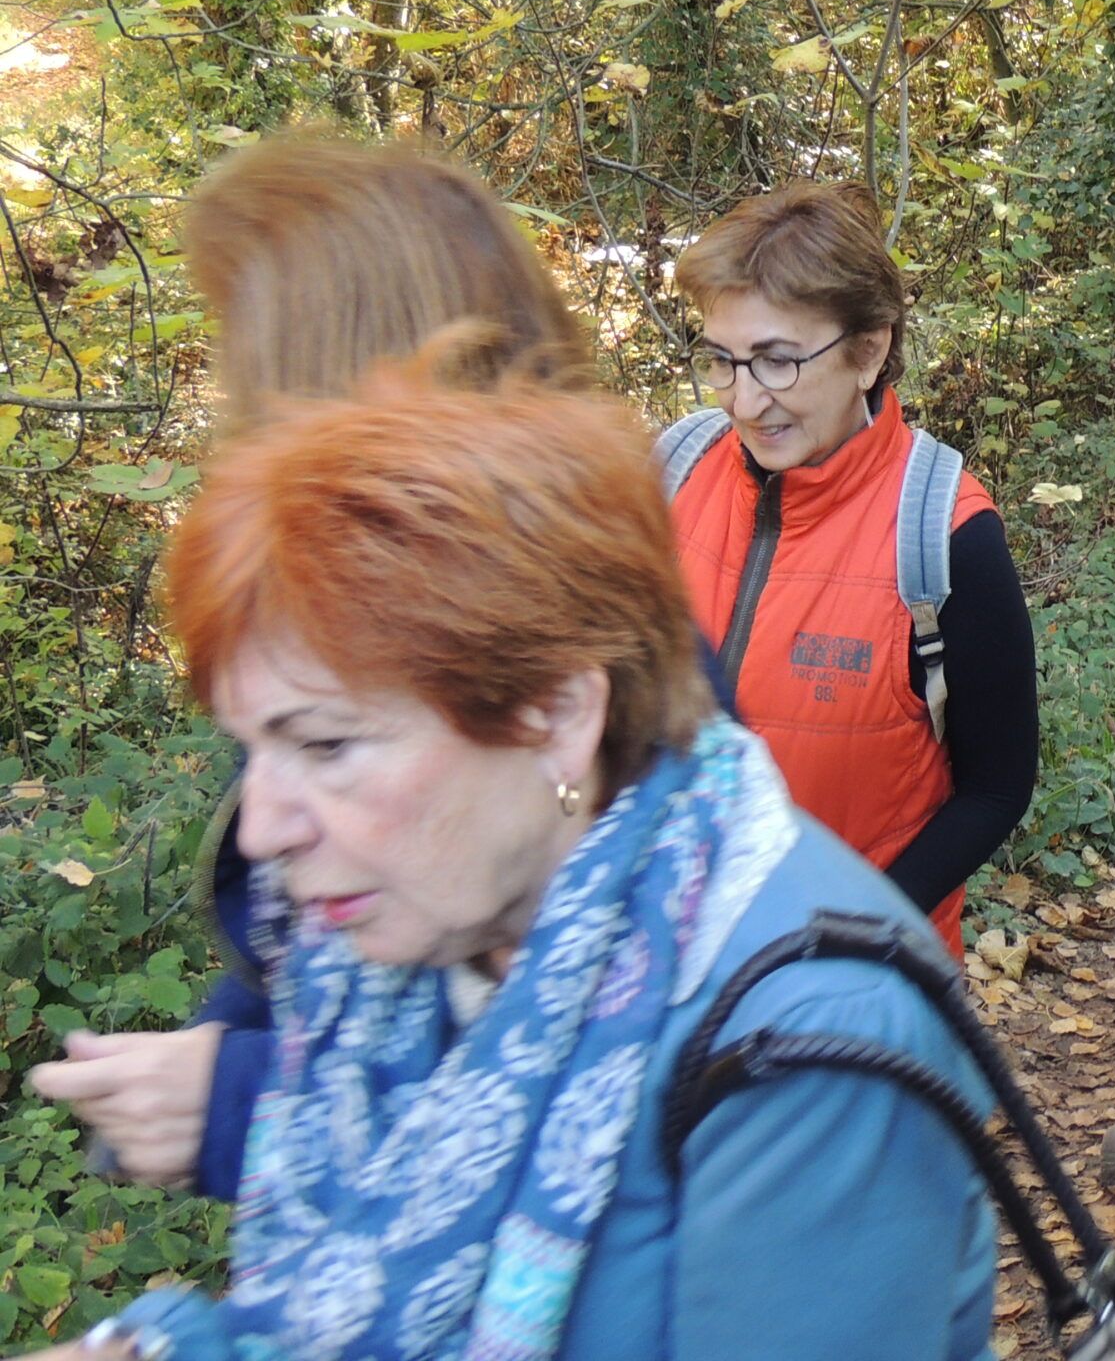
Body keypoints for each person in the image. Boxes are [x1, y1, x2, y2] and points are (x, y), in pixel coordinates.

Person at [27, 374, 996, 1361]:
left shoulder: (812, 1035)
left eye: (323, 746)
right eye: (253, 750)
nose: (262, 831)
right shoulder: (412, 948)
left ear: (557, 717)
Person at [29, 135, 598, 1207]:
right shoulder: (355, 650)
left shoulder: (567, 688)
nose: (226, 419)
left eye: (245, 371)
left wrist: (242, 1104)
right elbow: (329, 912)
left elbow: (587, 1101)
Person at [666, 182, 1037, 957]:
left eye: (776, 361)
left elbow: (995, 788)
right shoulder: (671, 474)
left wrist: (856, 931)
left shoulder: (943, 534)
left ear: (869, 348)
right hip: (674, 965)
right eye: (723, 362)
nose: (743, 400)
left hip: (861, 981)